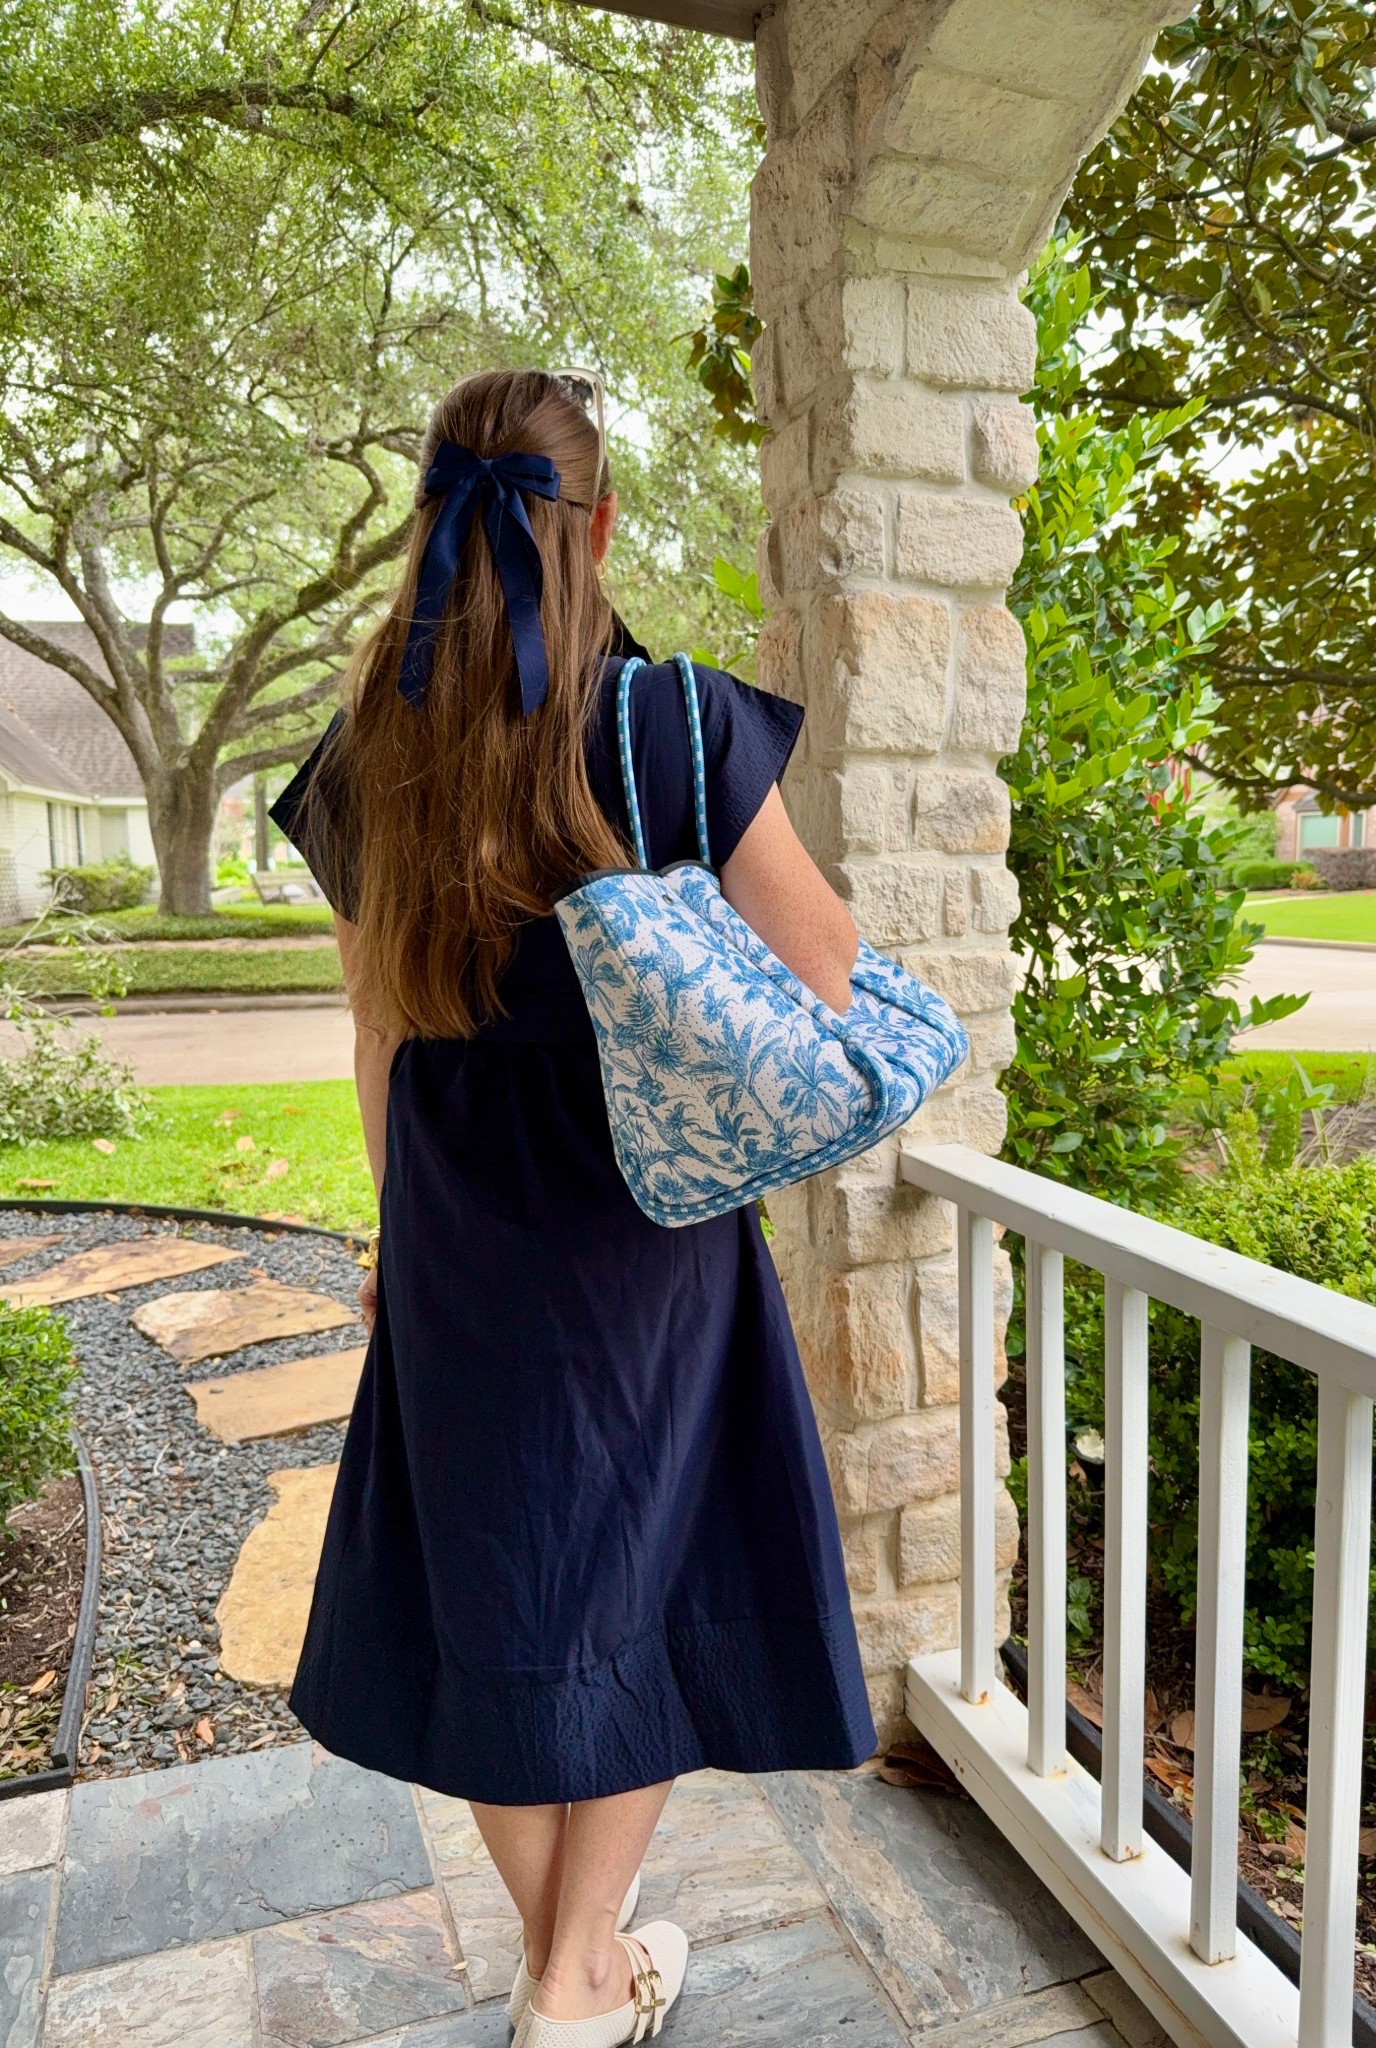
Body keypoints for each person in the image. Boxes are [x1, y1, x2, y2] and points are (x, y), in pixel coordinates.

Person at [269, 366, 877, 2048]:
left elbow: (378, 1025)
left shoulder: (367, 749)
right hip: (643, 1222)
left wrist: (403, 1236)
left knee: (500, 1591)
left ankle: (579, 1969)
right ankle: (573, 1977)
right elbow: (818, 963)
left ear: (427, 531)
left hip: (461, 1217)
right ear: (595, 525)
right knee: (646, 1572)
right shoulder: (667, 723)